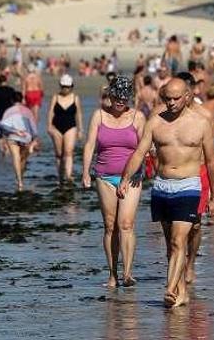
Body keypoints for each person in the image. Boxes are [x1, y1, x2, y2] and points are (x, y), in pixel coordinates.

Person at [116, 78, 214, 308]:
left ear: (187, 96)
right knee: (170, 245)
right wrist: (125, 179)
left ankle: (170, 288)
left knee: (178, 240)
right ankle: (181, 292)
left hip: (188, 186)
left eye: (175, 98)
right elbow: (139, 152)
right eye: (167, 99)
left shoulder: (202, 123)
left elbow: (211, 162)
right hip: (162, 186)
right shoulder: (155, 122)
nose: (171, 103)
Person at [81, 75, 145, 288]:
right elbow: (90, 145)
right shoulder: (99, 116)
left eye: (125, 98)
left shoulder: (138, 117)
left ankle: (127, 273)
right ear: (110, 95)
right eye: (118, 96)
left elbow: (144, 148)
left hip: (132, 177)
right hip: (104, 176)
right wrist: (85, 172)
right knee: (110, 226)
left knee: (125, 224)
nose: (121, 101)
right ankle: (112, 275)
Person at [47, 74, 83, 185]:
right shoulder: (55, 97)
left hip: (71, 127)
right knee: (59, 154)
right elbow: (51, 112)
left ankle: (68, 175)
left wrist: (80, 129)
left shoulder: (75, 98)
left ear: (71, 86)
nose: (65, 89)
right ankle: (60, 176)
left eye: (67, 86)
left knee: (68, 152)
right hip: (56, 127)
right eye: (63, 86)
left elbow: (78, 114)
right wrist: (49, 126)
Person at [0, 92, 38, 190]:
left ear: (12, 100)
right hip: (26, 137)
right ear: (22, 100)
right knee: (23, 159)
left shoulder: (8, 111)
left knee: (16, 157)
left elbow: (3, 126)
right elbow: (33, 128)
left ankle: (19, 181)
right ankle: (21, 177)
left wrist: (11, 133)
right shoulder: (27, 111)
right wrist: (34, 139)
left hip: (13, 136)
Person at [0, 74, 16, 157]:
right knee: (8, 134)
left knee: (0, 135)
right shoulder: (11, 90)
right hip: (9, 115)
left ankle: (2, 152)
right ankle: (8, 151)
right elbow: (14, 103)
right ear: (6, 80)